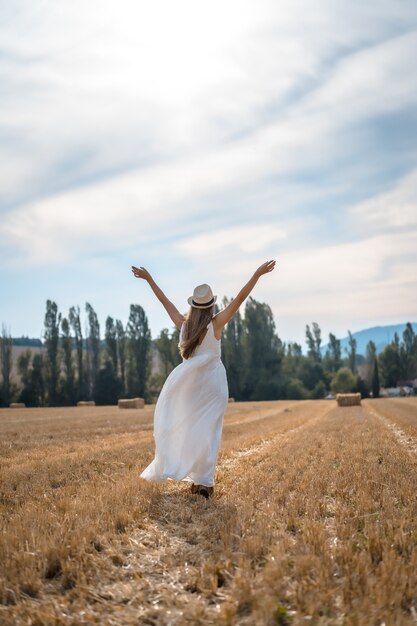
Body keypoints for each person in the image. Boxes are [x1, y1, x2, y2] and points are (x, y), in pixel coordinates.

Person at [131, 260, 276, 498]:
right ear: (210, 305)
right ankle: (204, 483)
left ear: (194, 305)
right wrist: (257, 274)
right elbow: (240, 299)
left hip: (190, 386)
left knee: (191, 431)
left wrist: (149, 279)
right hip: (213, 385)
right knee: (209, 434)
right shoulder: (216, 323)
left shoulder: (184, 325)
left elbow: (164, 301)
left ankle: (198, 480)